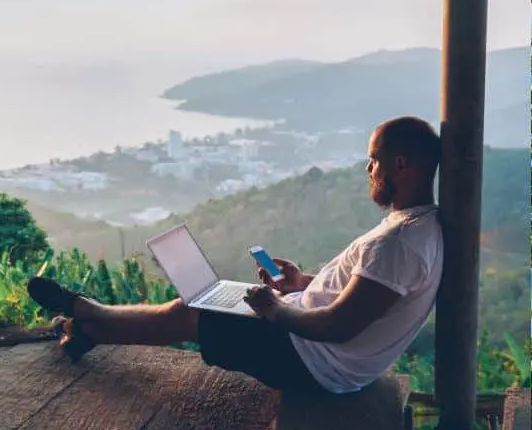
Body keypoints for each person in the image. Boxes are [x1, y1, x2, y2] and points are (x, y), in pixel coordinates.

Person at [27, 116, 443, 394]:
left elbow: (338, 326)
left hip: (312, 361)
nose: (368, 170)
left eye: (374, 160)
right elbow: (360, 296)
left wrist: (275, 311)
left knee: (193, 312)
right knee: (202, 301)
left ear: (400, 164)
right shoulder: (414, 226)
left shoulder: (399, 243)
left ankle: (86, 311)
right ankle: (89, 329)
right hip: (311, 338)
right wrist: (301, 284)